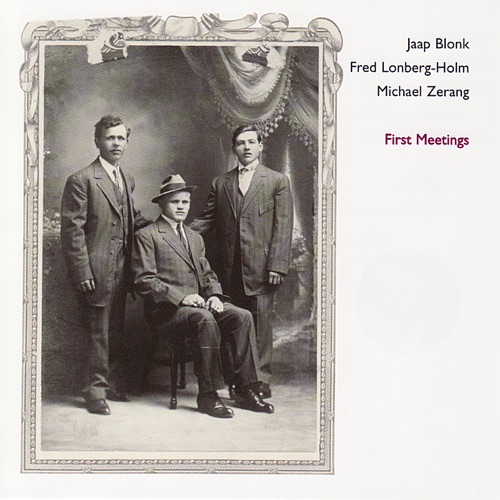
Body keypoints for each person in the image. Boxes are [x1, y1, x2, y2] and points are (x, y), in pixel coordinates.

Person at [131, 175, 274, 418]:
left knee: (242, 316)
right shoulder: (148, 235)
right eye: (175, 202)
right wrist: (181, 298)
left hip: (197, 307)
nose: (181, 207)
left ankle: (245, 388)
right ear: (162, 204)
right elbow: (144, 281)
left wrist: (215, 295)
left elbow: (207, 274)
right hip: (166, 311)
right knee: (204, 319)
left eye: (185, 202)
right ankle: (208, 394)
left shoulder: (194, 237)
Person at [190, 125, 293, 399]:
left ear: (260, 146)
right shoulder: (221, 183)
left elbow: (283, 226)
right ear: (234, 148)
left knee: (260, 324)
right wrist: (175, 232)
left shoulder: (277, 181)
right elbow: (206, 220)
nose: (246, 147)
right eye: (240, 143)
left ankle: (259, 379)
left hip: (261, 268)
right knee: (231, 322)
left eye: (251, 142)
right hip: (227, 268)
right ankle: (235, 378)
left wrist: (277, 265)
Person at [61, 115, 151, 415]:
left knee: (114, 330)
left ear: (127, 142)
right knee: (97, 332)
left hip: (122, 270)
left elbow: (133, 219)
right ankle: (94, 391)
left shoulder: (126, 179)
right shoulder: (81, 180)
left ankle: (110, 384)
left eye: (121, 138)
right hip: (95, 270)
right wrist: (82, 272)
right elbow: (72, 232)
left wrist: (164, 228)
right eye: (110, 138)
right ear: (97, 141)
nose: (116, 143)